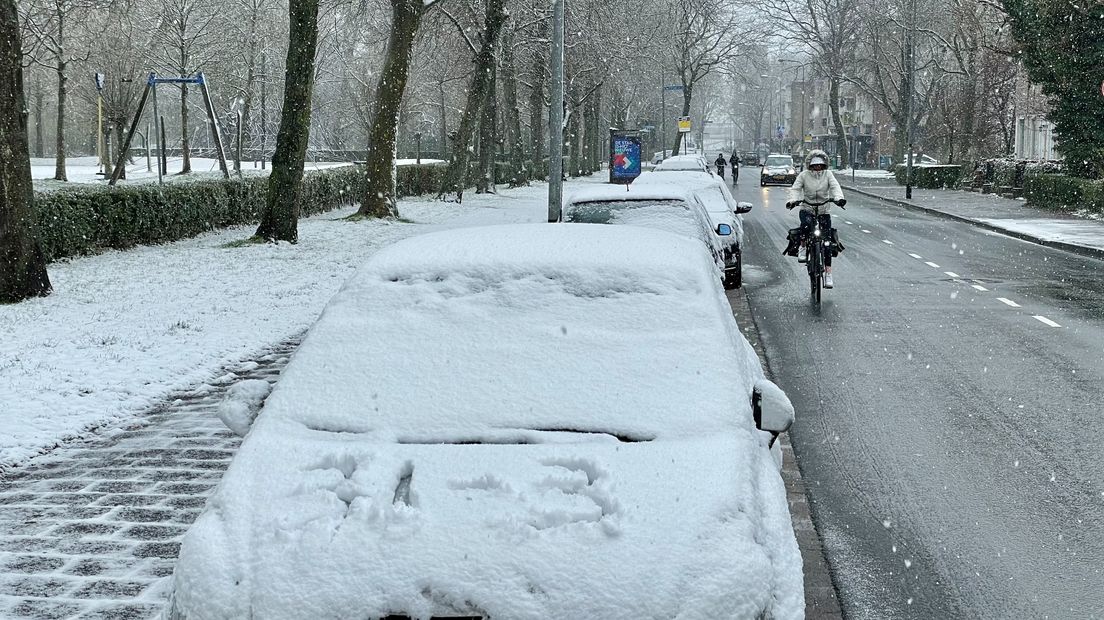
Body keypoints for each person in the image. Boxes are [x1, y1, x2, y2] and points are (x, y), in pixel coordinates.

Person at [784, 149, 846, 288]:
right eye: (815, 165)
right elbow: (795, 189)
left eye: (820, 165)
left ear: (824, 165)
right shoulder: (804, 175)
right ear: (810, 165)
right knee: (805, 225)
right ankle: (803, 246)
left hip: (823, 210)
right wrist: (793, 200)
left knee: (828, 242)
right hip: (807, 208)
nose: (818, 167)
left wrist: (839, 198)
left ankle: (828, 273)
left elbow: (835, 187)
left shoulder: (828, 174)